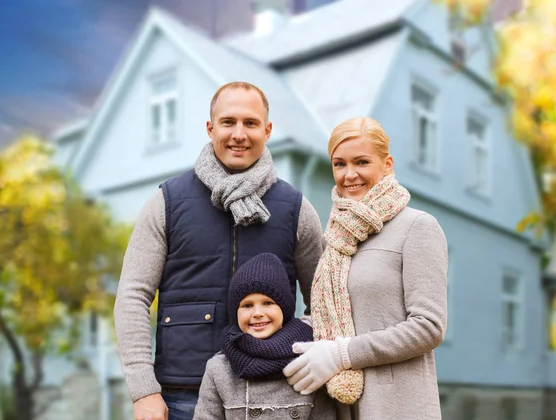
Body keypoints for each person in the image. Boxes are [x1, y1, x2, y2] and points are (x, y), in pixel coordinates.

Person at [114, 81, 324, 420]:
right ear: (210, 128)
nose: (239, 134)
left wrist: (304, 353)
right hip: (183, 396)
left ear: (267, 131)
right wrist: (144, 390)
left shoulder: (296, 208)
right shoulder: (167, 202)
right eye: (228, 122)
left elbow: (326, 301)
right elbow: (132, 296)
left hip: (274, 395)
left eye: (250, 123)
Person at [283, 117, 448, 419]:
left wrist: (342, 354)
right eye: (339, 164)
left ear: (387, 164)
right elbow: (325, 314)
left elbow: (428, 327)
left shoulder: (417, 227)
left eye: (361, 162)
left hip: (397, 406)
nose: (349, 175)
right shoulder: (335, 238)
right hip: (340, 405)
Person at [194, 253, 336, 419]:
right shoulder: (219, 369)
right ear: (235, 313)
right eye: (247, 305)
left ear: (284, 309)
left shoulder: (309, 361)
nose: (257, 313)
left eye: (268, 303)